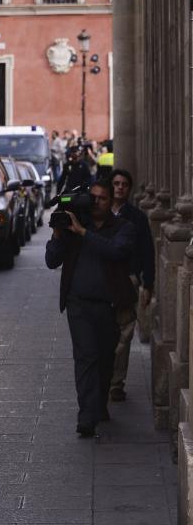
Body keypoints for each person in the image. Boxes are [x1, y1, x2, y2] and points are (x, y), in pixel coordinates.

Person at [45, 180, 136, 438]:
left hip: (109, 306)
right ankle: (86, 417)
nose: (96, 203)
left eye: (102, 199)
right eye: (92, 198)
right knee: (86, 357)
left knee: (106, 359)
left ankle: (98, 405)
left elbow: (116, 251)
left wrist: (84, 232)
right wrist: (58, 234)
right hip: (79, 304)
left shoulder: (123, 228)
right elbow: (52, 261)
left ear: (111, 203)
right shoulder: (72, 228)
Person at [108, 169, 155, 402]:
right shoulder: (100, 214)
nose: (119, 187)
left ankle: (116, 383)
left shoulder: (137, 217)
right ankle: (103, 378)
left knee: (124, 334)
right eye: (116, 183)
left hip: (128, 279)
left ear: (130, 188)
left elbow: (148, 251)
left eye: (124, 184)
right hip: (102, 280)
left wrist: (148, 284)